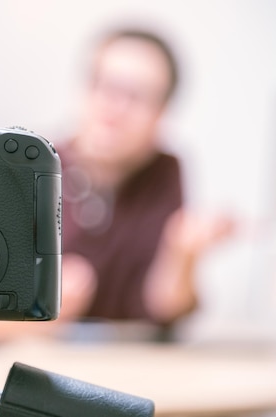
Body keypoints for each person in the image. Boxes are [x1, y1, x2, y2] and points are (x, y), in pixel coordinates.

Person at [58, 28, 233, 327]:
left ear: (162, 112)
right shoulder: (38, 166)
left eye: (137, 96)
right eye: (108, 86)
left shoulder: (165, 171)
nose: (116, 107)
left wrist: (183, 253)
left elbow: (165, 308)